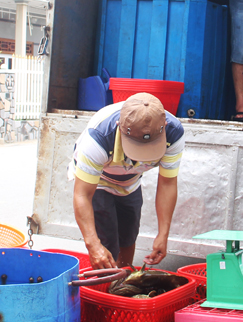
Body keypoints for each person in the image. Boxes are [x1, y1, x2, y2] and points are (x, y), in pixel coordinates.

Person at [69, 93, 185, 270]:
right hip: (98, 180)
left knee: (129, 237)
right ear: (119, 127)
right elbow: (82, 194)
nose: (142, 156)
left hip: (131, 182)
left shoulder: (174, 133)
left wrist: (163, 234)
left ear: (164, 127)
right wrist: (93, 245)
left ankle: (123, 279)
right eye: (137, 147)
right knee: (107, 243)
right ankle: (105, 287)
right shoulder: (98, 138)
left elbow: (168, 183)